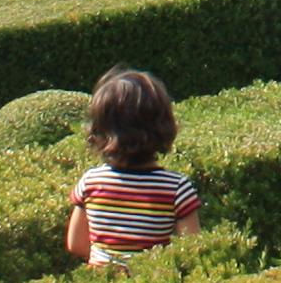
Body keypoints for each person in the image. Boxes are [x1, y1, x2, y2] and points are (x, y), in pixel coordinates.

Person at [65, 65, 202, 266]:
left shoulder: (91, 182)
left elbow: (76, 244)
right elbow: (193, 249)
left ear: (99, 130)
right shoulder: (176, 188)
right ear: (163, 125)